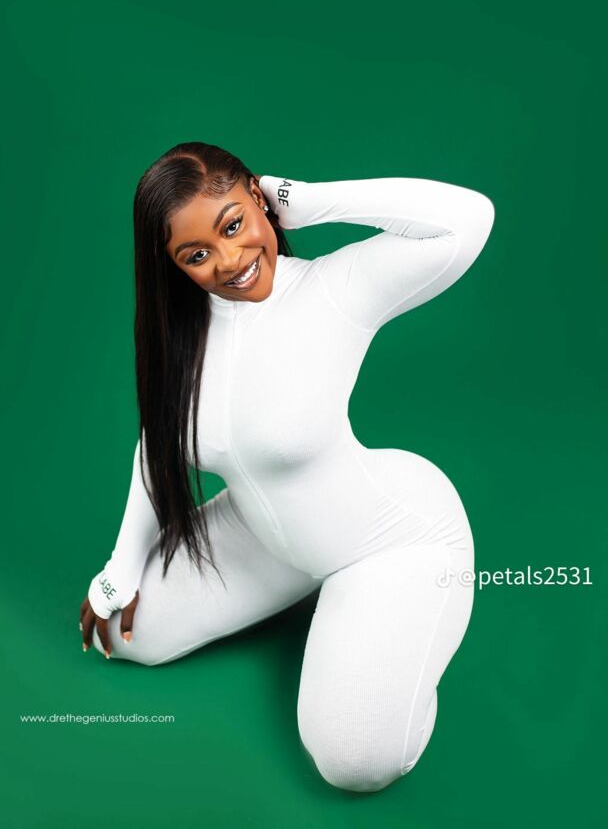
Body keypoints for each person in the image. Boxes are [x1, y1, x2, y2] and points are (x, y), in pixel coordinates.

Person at [79, 141, 495, 792]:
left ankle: (399, 629)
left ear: (257, 197)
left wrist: (314, 200)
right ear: (173, 265)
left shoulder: (334, 290)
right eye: (196, 254)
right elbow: (156, 444)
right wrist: (123, 564)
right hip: (265, 537)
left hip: (386, 540)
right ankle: (316, 592)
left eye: (233, 225)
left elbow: (468, 219)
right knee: (123, 633)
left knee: (356, 760)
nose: (229, 262)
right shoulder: (183, 336)